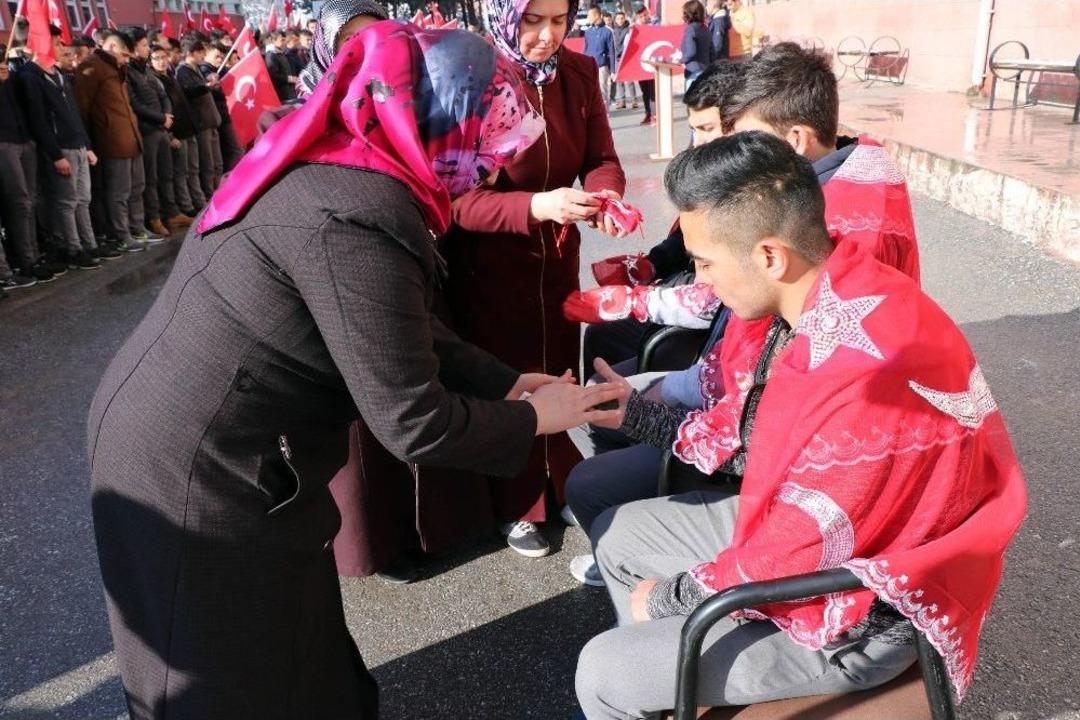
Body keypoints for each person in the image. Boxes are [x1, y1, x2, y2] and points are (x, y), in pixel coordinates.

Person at [89, 23, 621, 719]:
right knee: (220, 670)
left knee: (296, 647)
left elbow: (404, 323)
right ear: (422, 116)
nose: (491, 161)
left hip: (244, 450)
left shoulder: (364, 167)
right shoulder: (356, 212)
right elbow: (413, 422)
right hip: (195, 467)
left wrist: (503, 382)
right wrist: (532, 419)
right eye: (483, 135)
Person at [574, 130, 1027, 720]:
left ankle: (654, 677)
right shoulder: (833, 286)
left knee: (605, 671)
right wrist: (637, 414)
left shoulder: (861, 375)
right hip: (828, 539)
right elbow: (759, 448)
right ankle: (667, 686)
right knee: (622, 534)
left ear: (768, 254)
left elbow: (800, 554)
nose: (702, 282)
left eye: (706, 263)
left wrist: (667, 600)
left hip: (865, 611)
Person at [563, 43, 921, 585]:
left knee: (604, 504)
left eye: (741, 138)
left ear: (773, 256)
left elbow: (758, 434)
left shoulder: (831, 248)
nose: (703, 279)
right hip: (767, 429)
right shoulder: (835, 196)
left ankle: (650, 578)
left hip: (801, 505)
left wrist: (639, 309)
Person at [18, 27, 114, 270]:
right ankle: (73, 248)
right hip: (61, 148)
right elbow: (39, 120)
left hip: (78, 145)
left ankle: (89, 243)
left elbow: (74, 115)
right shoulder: (31, 76)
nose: (62, 47)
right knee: (67, 201)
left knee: (83, 198)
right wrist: (56, 154)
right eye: (57, 43)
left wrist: (87, 145)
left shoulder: (59, 74)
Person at [74, 30, 149, 254]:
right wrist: (89, 143)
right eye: (125, 55)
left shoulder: (117, 68)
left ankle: (138, 228)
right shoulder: (92, 66)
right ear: (113, 47)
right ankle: (122, 234)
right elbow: (82, 108)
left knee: (137, 187)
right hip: (111, 141)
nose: (127, 60)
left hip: (131, 137)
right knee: (119, 192)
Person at [127, 29, 185, 238]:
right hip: (148, 130)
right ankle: (154, 218)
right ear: (133, 48)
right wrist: (160, 118)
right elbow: (134, 104)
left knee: (167, 174)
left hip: (162, 129)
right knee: (150, 178)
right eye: (143, 45)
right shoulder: (128, 72)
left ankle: (172, 213)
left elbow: (163, 95)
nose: (146, 48)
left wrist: (167, 115)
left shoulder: (147, 71)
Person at [296, 0, 389, 98]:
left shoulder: (401, 83)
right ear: (326, 47)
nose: (365, 45)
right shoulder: (309, 97)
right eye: (349, 39)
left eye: (374, 36)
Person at [176, 37, 223, 199]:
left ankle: (220, 191)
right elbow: (190, 92)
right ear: (190, 53)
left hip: (211, 120)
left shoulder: (196, 69)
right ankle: (210, 195)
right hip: (201, 123)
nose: (203, 55)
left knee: (217, 163)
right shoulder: (182, 71)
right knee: (206, 164)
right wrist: (206, 86)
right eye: (200, 52)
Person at [582, 6, 615, 107]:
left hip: (602, 66)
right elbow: (585, 49)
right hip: (588, 67)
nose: (588, 17)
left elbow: (612, 51)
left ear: (596, 15)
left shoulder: (608, 31)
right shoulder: (587, 32)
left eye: (589, 15)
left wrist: (613, 70)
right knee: (588, 92)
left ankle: (605, 115)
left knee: (602, 92)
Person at [678, 0, 713, 87]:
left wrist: (680, 61)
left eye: (684, 13)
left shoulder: (690, 29)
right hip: (706, 71)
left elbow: (691, 52)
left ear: (689, 14)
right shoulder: (706, 29)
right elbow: (713, 52)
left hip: (693, 72)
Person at [634, 4, 657, 125]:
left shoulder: (655, 24)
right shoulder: (634, 28)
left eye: (645, 15)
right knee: (645, 91)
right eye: (641, 16)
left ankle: (655, 115)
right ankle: (648, 113)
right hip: (640, 64)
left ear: (647, 13)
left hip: (652, 63)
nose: (643, 18)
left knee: (653, 90)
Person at [610, 11, 636, 110]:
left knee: (629, 80)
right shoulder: (613, 30)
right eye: (618, 18)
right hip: (617, 58)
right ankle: (622, 101)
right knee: (619, 80)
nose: (620, 20)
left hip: (627, 57)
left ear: (625, 18)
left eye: (622, 18)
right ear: (615, 20)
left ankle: (634, 100)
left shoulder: (629, 29)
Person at [264, 31, 297, 101]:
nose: (285, 43)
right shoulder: (271, 55)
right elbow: (274, 76)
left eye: (285, 40)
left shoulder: (281, 52)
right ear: (273, 41)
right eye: (282, 40)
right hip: (284, 94)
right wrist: (290, 79)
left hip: (291, 91)